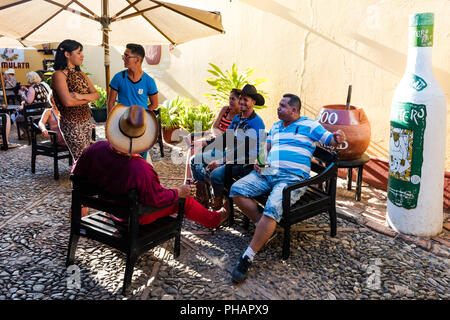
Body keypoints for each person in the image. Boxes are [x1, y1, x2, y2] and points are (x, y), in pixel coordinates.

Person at [228, 93, 346, 283]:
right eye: (279, 105)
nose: (278, 108)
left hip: (291, 179)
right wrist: (261, 162)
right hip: (267, 173)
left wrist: (337, 138)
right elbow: (265, 150)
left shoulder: (309, 125)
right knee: (236, 189)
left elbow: (330, 140)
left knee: (273, 208)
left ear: (293, 110)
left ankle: (247, 256)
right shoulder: (275, 126)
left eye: (282, 106)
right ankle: (262, 226)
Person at [72, 104, 229, 229]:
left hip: (112, 208)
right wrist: (179, 192)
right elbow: (156, 199)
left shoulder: (95, 149)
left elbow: (76, 175)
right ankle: (214, 219)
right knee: (185, 201)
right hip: (132, 216)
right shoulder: (140, 168)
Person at [190, 84, 266, 210]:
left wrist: (220, 161)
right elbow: (226, 138)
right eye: (241, 98)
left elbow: (244, 150)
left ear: (253, 102)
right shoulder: (237, 118)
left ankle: (219, 204)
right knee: (195, 160)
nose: (241, 102)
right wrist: (208, 143)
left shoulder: (256, 123)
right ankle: (202, 197)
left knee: (215, 174)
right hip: (230, 154)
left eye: (245, 100)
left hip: (245, 161)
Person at [107, 43, 159, 161]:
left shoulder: (149, 81)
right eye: (124, 55)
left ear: (137, 59)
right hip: (120, 123)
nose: (123, 58)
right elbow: (110, 102)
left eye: (126, 56)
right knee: (120, 157)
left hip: (140, 126)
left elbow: (154, 104)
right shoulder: (118, 78)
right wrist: (110, 123)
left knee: (140, 159)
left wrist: (140, 114)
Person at [51, 39, 100, 161]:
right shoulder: (58, 75)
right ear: (67, 54)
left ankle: (82, 180)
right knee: (81, 159)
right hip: (71, 123)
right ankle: (79, 180)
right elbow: (68, 102)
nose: (82, 56)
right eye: (78, 53)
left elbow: (97, 95)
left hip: (86, 119)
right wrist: (88, 99)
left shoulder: (81, 74)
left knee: (87, 157)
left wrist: (80, 96)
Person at [184, 88, 241, 182]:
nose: (230, 101)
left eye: (233, 99)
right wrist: (218, 133)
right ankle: (187, 181)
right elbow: (214, 126)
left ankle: (196, 182)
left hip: (223, 144)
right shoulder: (225, 109)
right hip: (214, 136)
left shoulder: (240, 116)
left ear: (240, 101)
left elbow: (229, 136)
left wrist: (219, 135)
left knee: (196, 147)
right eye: (229, 98)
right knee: (192, 149)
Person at [11, 71, 51, 138]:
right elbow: (36, 96)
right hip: (43, 112)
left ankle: (26, 132)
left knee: (14, 116)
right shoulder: (41, 86)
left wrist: (22, 94)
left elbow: (29, 101)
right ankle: (29, 131)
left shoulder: (32, 88)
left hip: (34, 114)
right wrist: (27, 90)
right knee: (19, 113)